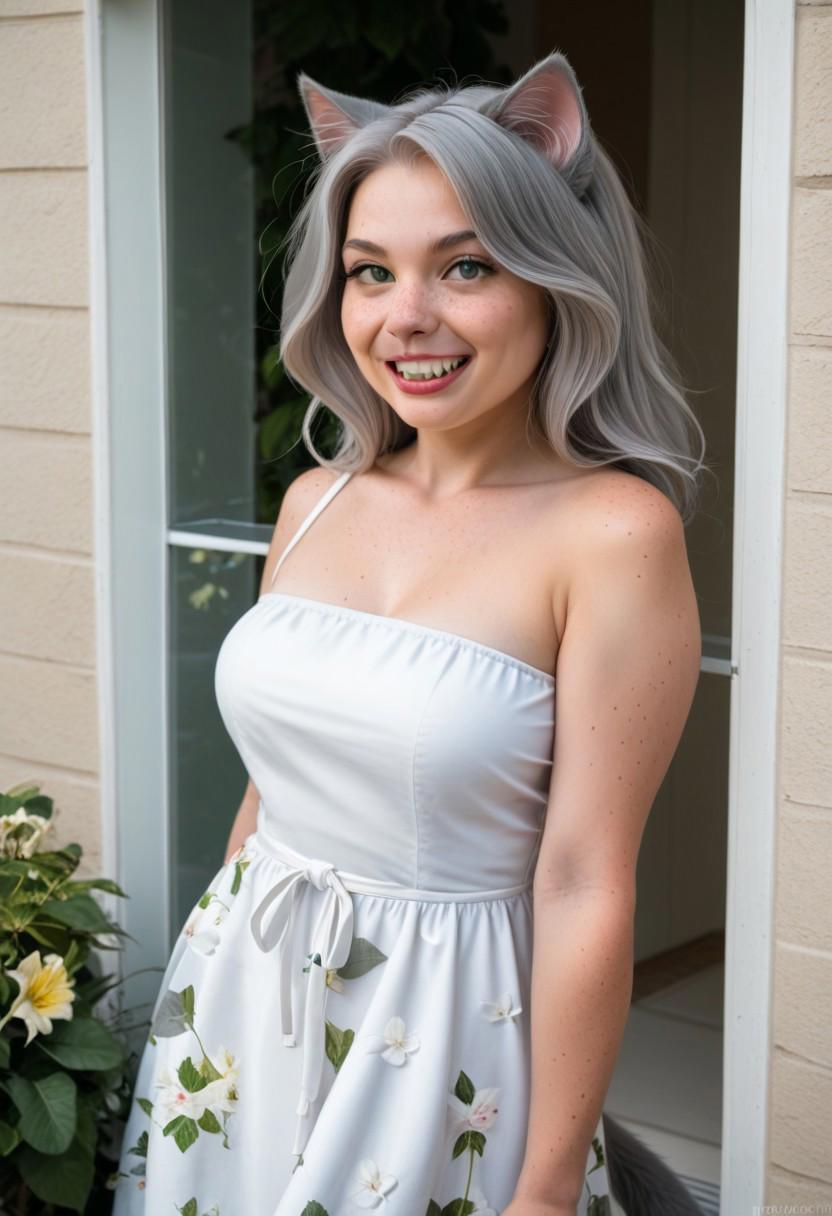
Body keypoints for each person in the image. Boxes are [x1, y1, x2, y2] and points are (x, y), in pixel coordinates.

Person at [112, 49, 706, 1216]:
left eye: (466, 265)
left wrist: (540, 1190)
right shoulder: (318, 496)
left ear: (554, 277)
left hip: (441, 1031)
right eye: (369, 271)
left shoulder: (612, 534)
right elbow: (266, 787)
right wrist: (212, 978)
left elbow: (586, 883)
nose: (406, 318)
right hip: (241, 996)